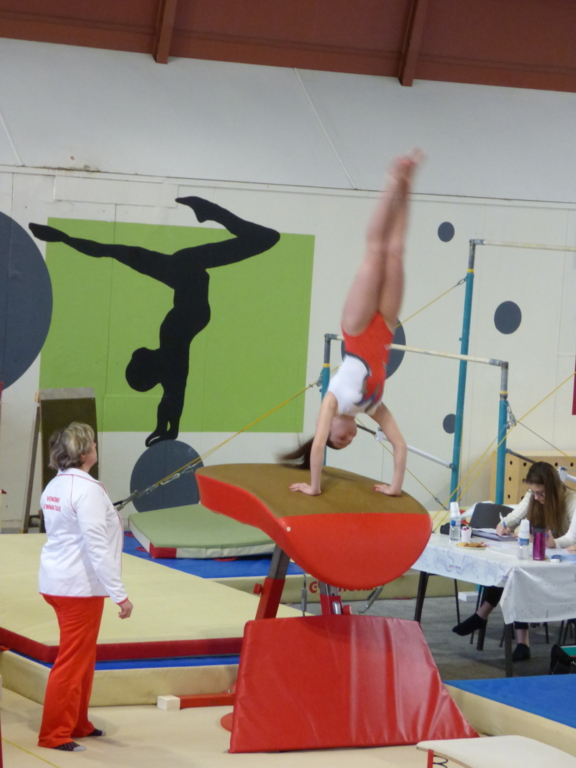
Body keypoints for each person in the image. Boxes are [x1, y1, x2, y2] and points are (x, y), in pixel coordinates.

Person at [30, 199, 280, 447]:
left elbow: (172, 396)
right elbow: (173, 396)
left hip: (182, 272)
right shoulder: (172, 344)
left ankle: (210, 212)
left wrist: (167, 428)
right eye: (136, 359)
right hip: (185, 267)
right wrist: (168, 428)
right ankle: (210, 211)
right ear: (149, 365)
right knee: (266, 238)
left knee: (117, 252)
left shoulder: (173, 357)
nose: (135, 353)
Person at [284, 151, 423, 497]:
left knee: (375, 251)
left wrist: (315, 487)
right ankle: (407, 185)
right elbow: (400, 444)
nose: (345, 440)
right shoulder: (372, 407)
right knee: (396, 252)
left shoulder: (331, 402)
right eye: (346, 443)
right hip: (386, 327)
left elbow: (317, 448)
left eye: (338, 440)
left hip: (358, 330)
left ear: (329, 427)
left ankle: (391, 181)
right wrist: (394, 487)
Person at [37, 422, 133, 752]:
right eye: (92, 443)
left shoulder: (55, 484)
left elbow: (72, 529)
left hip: (57, 580)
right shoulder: (87, 489)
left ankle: (78, 722)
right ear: (84, 453)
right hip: (77, 588)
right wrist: (119, 594)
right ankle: (54, 733)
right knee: (73, 660)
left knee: (83, 657)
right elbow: (96, 546)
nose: (96, 447)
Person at [452, 461, 576, 661]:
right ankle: (519, 642)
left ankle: (483, 617)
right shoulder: (533, 496)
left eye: (541, 493)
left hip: (563, 564)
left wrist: (554, 543)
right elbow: (515, 515)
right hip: (541, 556)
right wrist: (504, 525)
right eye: (533, 493)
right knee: (511, 572)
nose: (537, 498)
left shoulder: (572, 500)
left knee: (518, 576)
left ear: (553, 489)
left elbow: (572, 537)